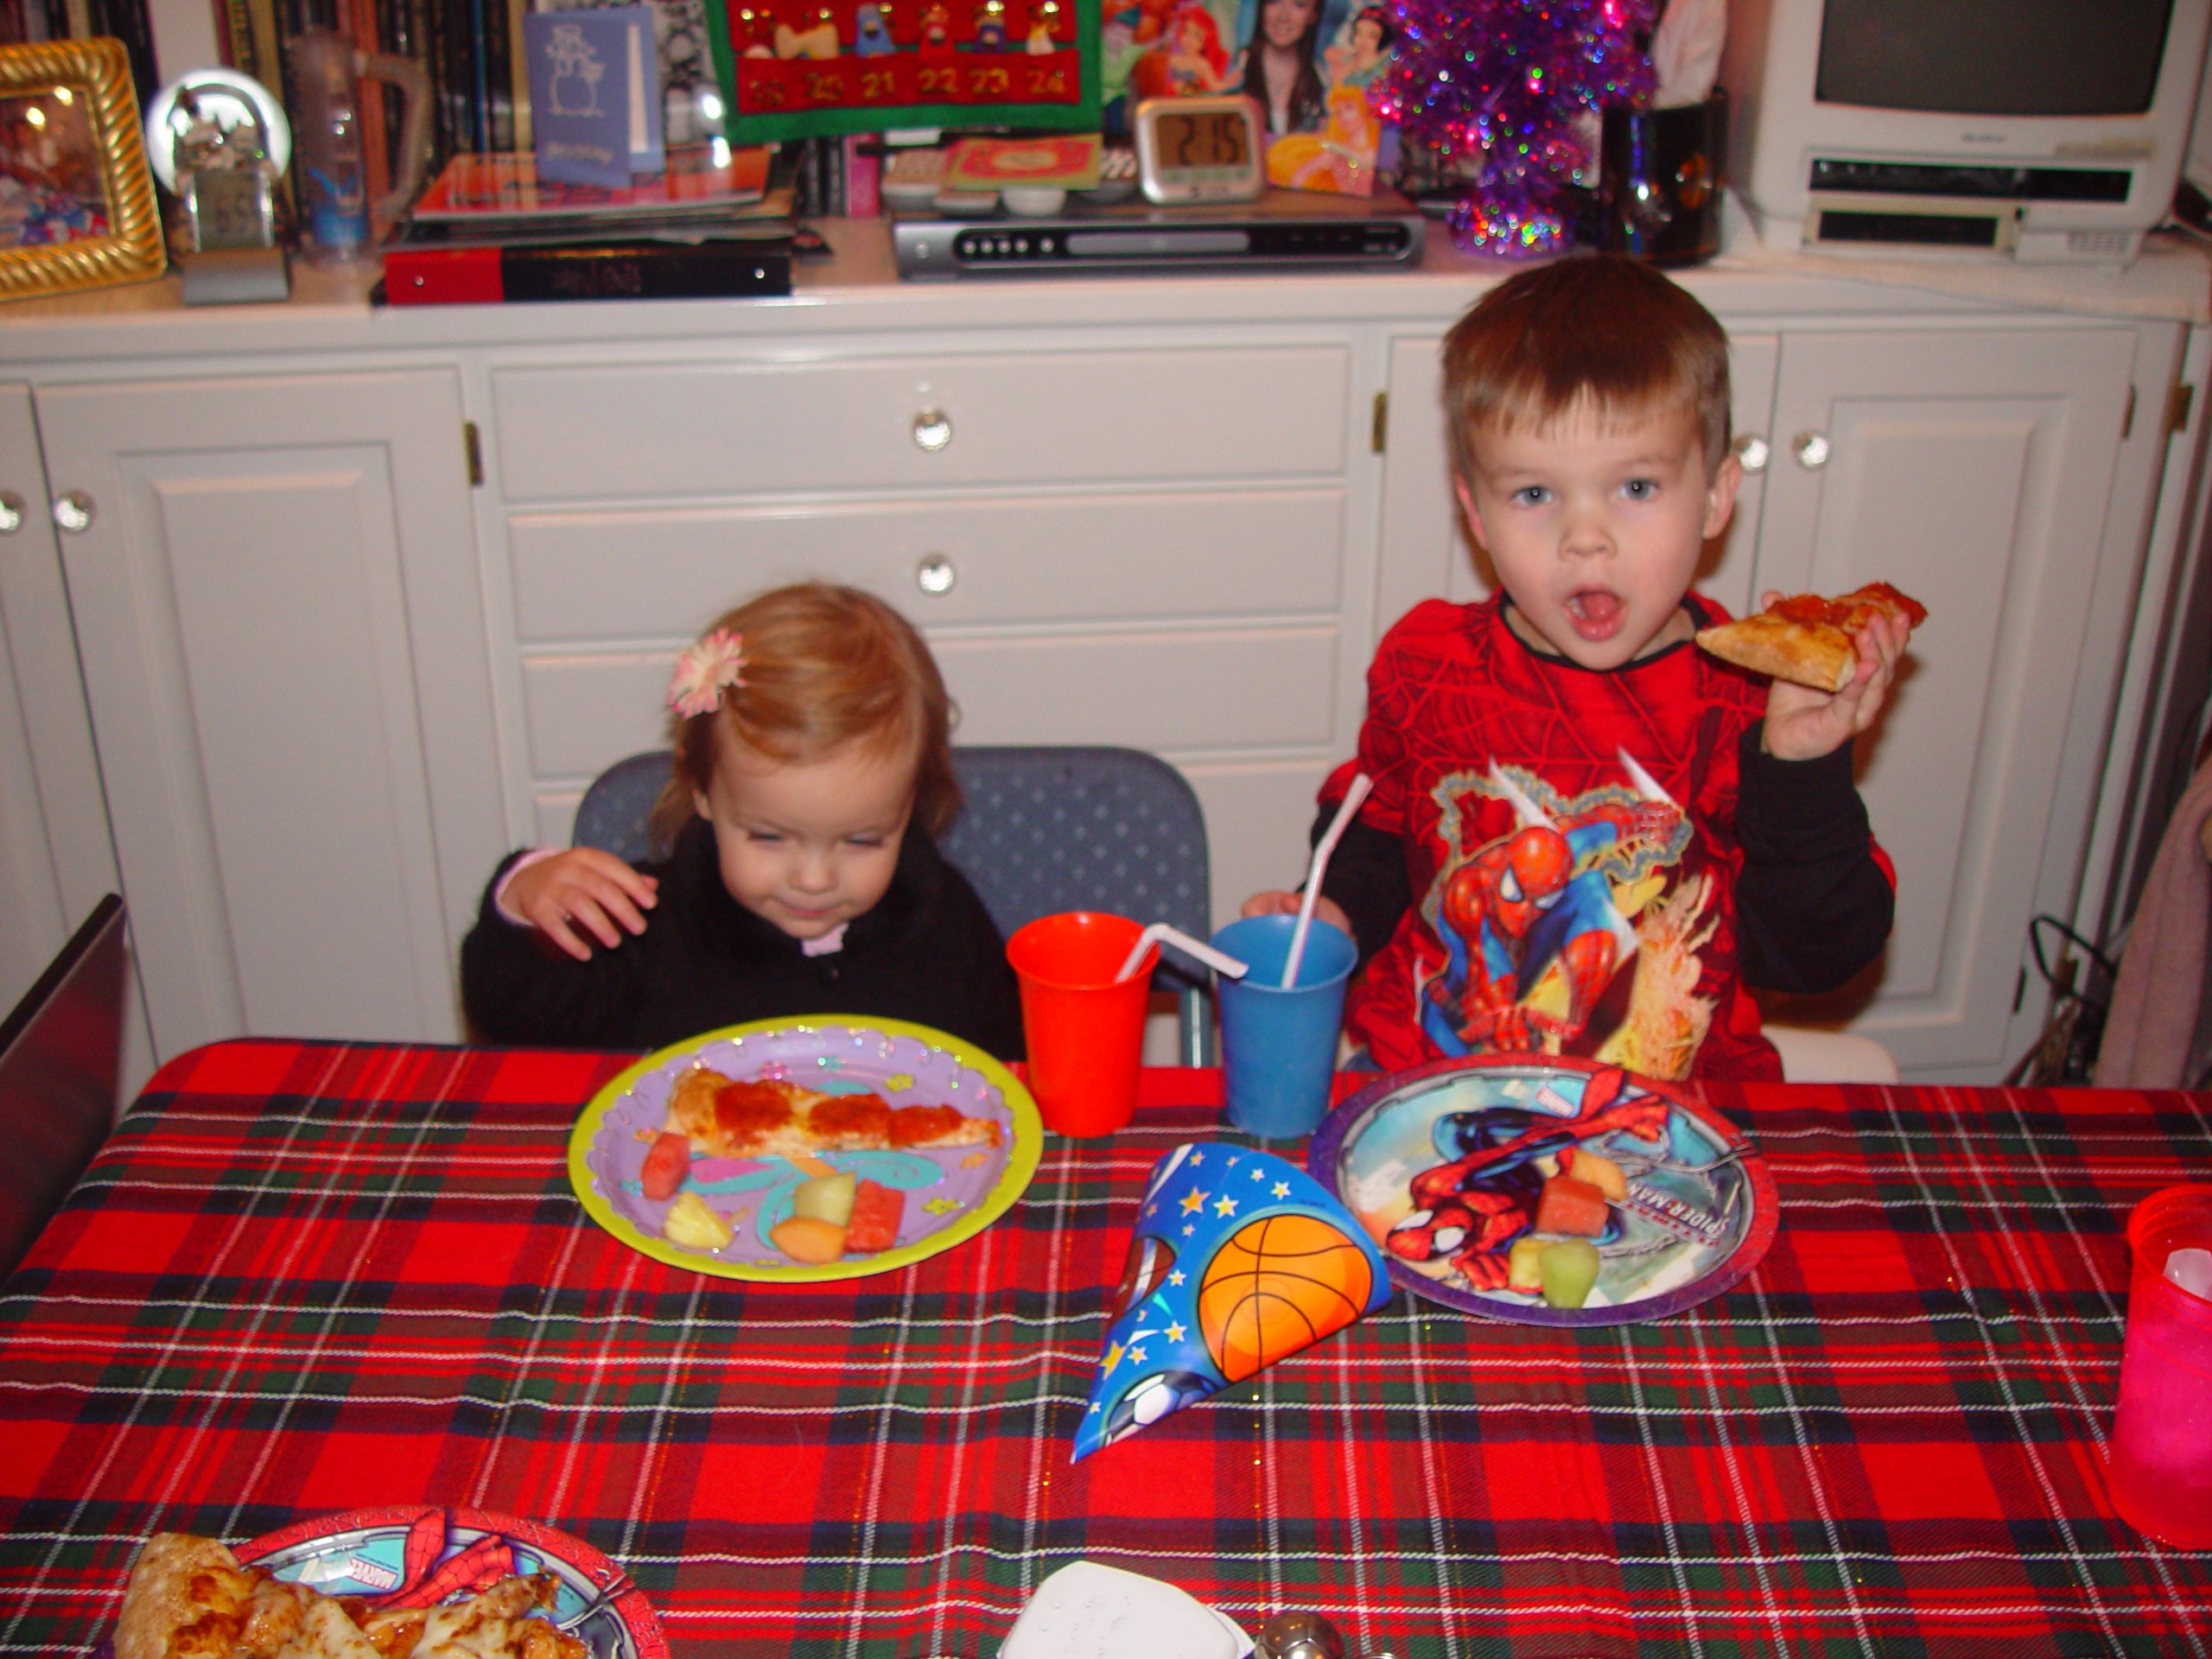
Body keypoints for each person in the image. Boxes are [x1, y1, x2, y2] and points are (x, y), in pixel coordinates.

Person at [1241, 255, 1905, 1080]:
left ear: (1716, 496)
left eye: (1634, 486)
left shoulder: (1749, 702)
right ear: (1474, 512)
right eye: (1533, 495)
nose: (1583, 537)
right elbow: (1377, 839)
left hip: (1665, 1111)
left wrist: (1801, 770)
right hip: (1428, 1082)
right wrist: (1334, 909)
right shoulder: (1427, 663)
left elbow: (1814, 959)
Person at [461, 582, 1024, 1058]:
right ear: (702, 787)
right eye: (770, 836)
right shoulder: (648, 924)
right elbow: (513, 1017)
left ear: (910, 805)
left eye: (861, 840)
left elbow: (1009, 1063)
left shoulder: (944, 918)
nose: (813, 878)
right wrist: (522, 899)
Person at [1235, 0, 1326, 136]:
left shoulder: (1326, 84)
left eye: (1299, 4)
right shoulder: (1233, 77)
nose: (1283, 17)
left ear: (1314, 15)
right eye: (1274, 1)